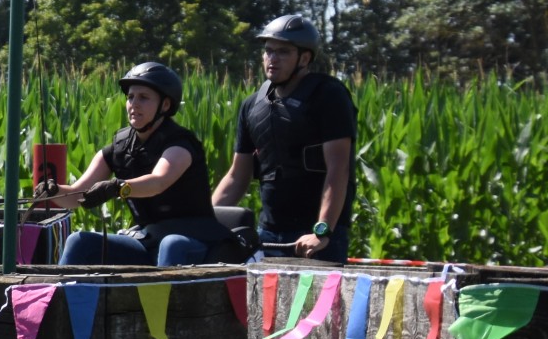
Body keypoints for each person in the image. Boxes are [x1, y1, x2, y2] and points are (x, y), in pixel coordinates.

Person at [37, 61, 230, 266]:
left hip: (197, 240)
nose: (134, 104)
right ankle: (59, 288)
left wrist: (118, 187)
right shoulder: (119, 148)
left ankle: (164, 289)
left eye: (143, 97)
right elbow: (77, 195)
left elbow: (157, 182)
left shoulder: (180, 145)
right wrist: (54, 191)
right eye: (130, 97)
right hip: (149, 241)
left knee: (171, 244)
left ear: (165, 105)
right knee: (79, 241)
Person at [212, 14, 356, 263]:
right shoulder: (252, 105)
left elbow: (338, 169)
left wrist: (322, 231)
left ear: (305, 58)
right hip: (268, 233)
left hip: (317, 237)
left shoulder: (328, 95)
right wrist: (204, 221)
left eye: (283, 52)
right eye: (268, 51)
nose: (272, 58)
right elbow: (237, 176)